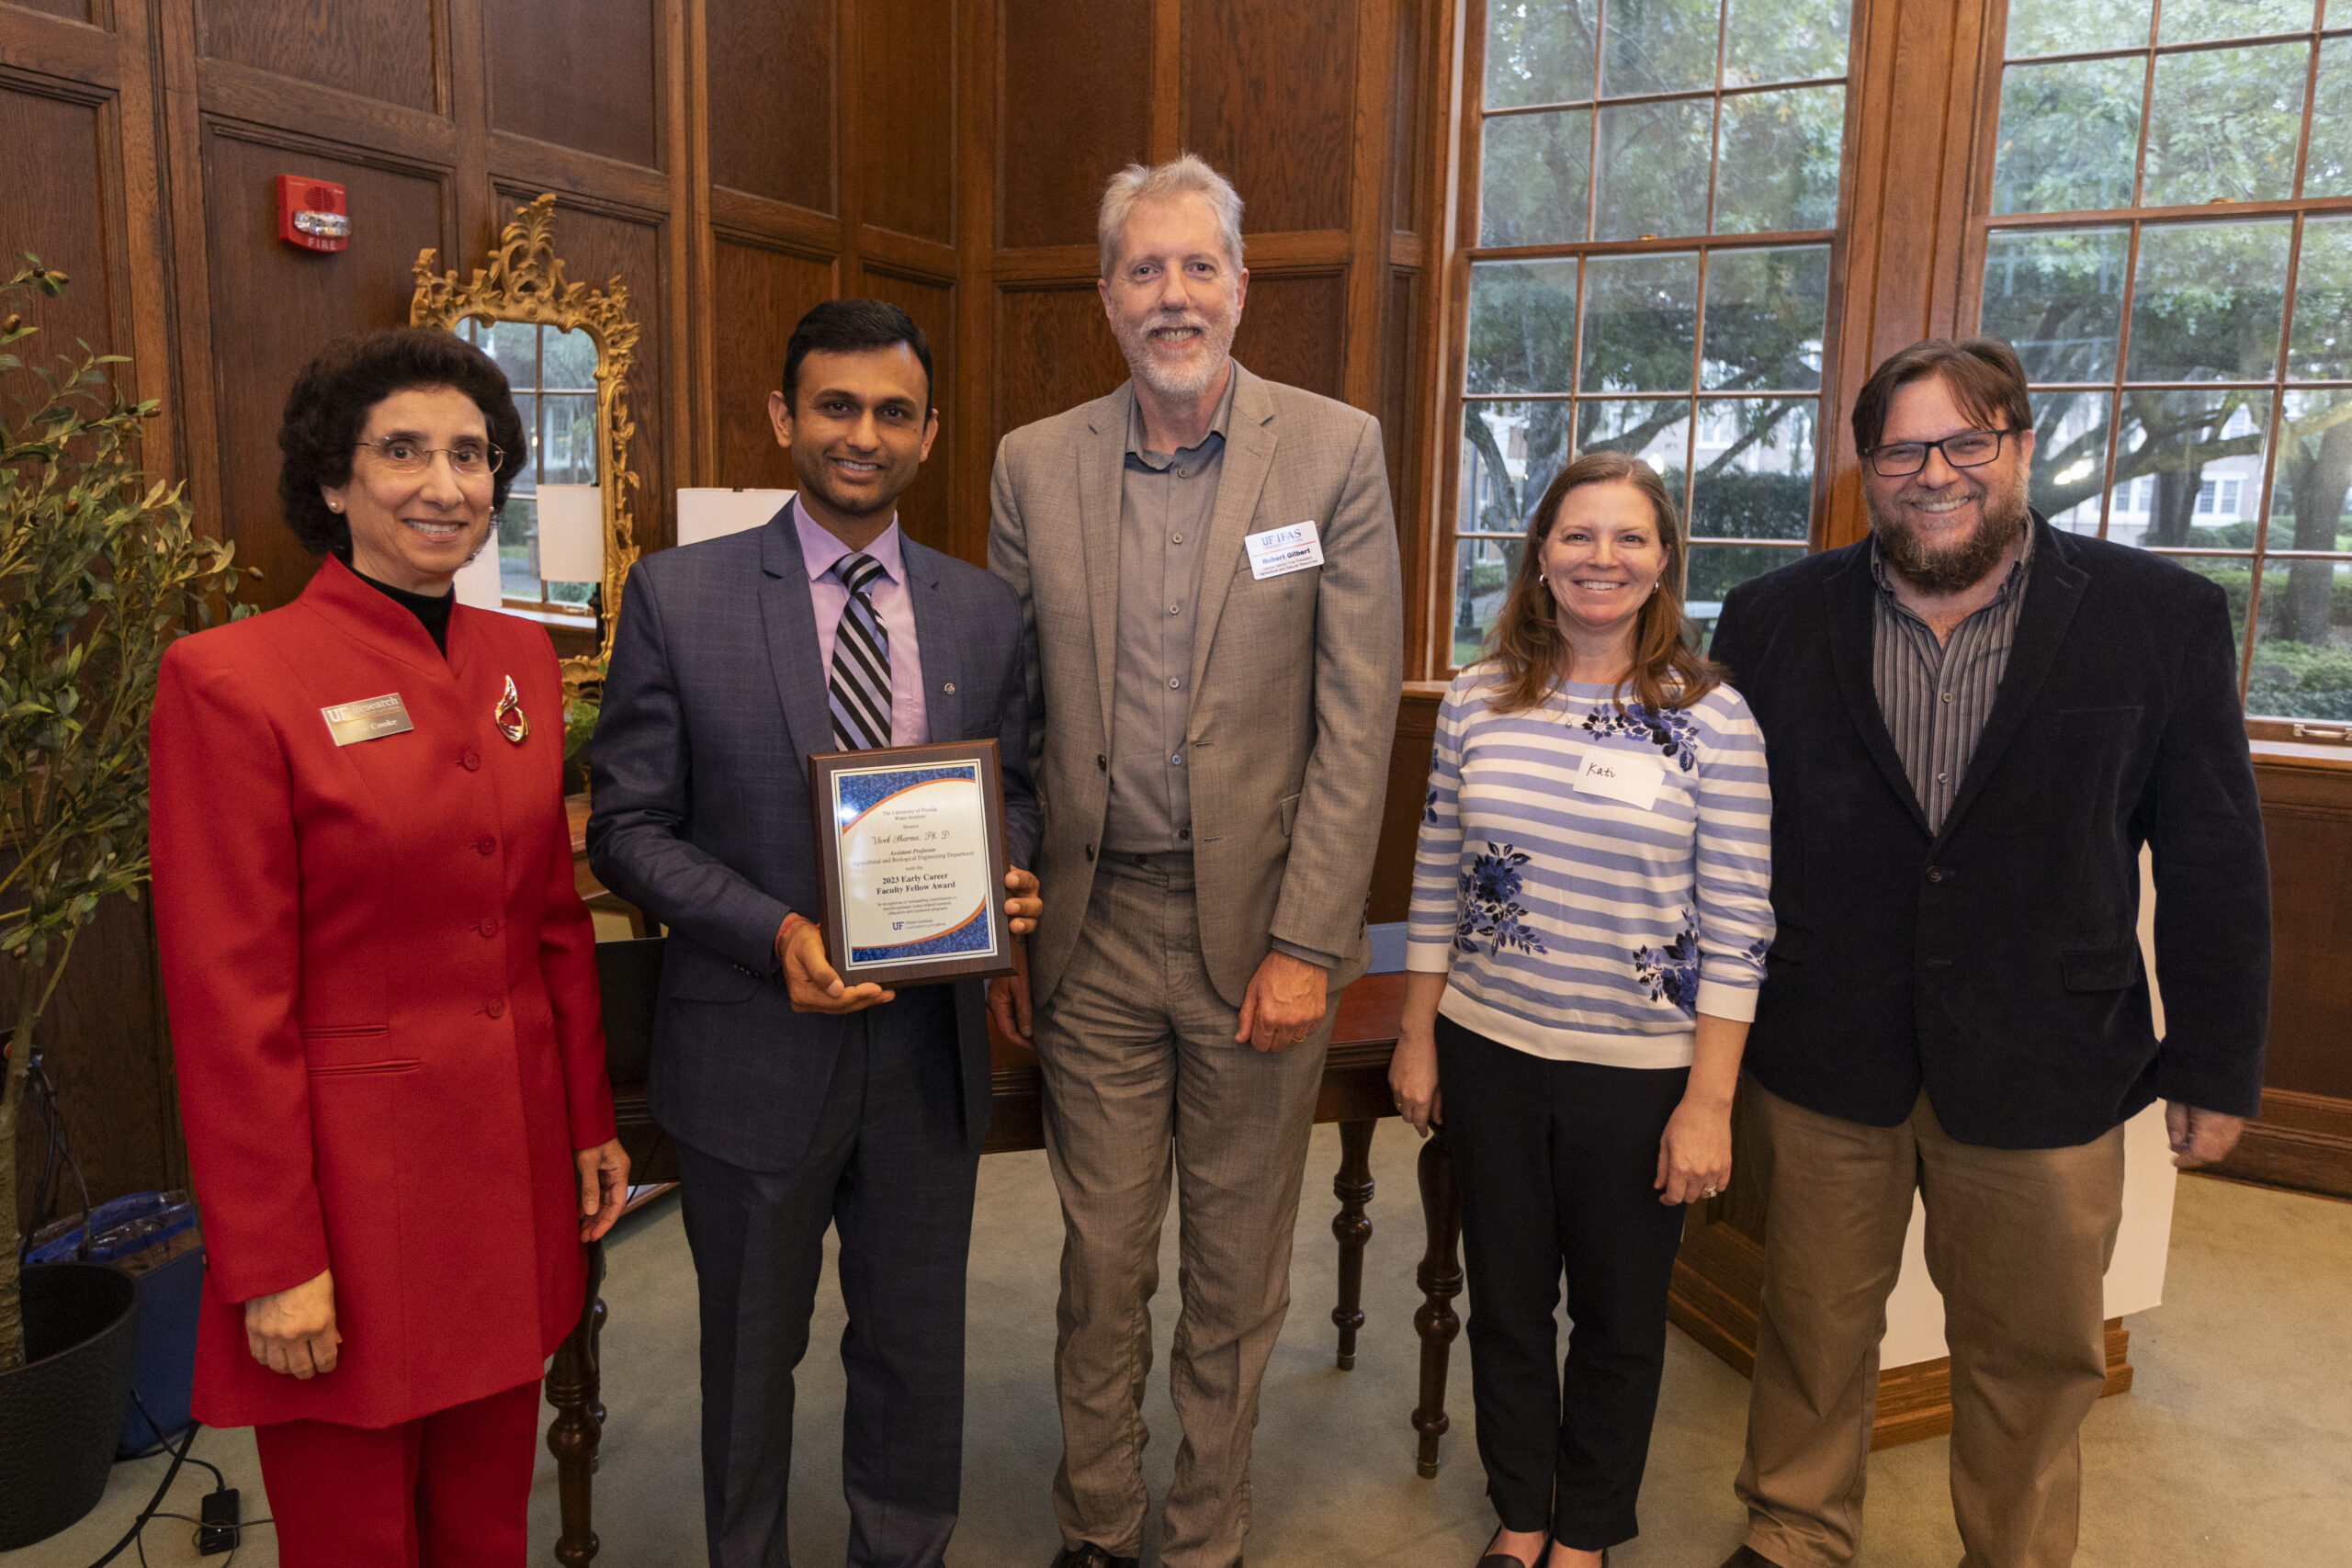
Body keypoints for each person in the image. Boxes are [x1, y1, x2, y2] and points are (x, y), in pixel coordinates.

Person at [1706, 336, 2271, 1568]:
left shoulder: (2157, 617)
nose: (1936, 472)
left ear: (2018, 445)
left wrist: (2217, 1066)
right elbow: (1718, 842)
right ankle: (1798, 1522)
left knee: (2036, 1349)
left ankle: (2014, 1549)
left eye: (1968, 439)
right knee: (1809, 1325)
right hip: (1824, 1054)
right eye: (1903, 447)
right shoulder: (1770, 619)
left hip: (2051, 1060)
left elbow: (2216, 855)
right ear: (1866, 467)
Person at [148, 326, 629, 1567]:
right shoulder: (232, 680)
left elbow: (548, 923)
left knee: (485, 1528)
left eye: (471, 453)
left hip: (509, 1173)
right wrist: (270, 1259)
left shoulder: (520, 655)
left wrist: (587, 1122)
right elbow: (226, 995)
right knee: (357, 1539)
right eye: (403, 450)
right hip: (347, 1206)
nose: (445, 482)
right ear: (331, 479)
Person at [988, 154, 1404, 1568]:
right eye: (1145, 269)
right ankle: (1097, 1528)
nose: (1174, 294)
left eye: (1198, 266)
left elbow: (1356, 718)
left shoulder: (1336, 451)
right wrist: (1008, 916)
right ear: (1108, 295)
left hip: (1261, 942)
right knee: (1101, 1265)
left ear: (1240, 283)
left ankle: (1203, 1534)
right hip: (1093, 938)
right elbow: (1011, 717)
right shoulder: (1032, 462)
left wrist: (1309, 940)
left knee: (1233, 1273)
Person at [588, 299, 1042, 1568]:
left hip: (924, 1054)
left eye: (894, 411)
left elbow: (1023, 781)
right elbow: (628, 827)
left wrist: (1012, 864)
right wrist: (776, 926)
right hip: (753, 1043)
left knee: (912, 1346)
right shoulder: (681, 595)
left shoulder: (980, 610)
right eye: (836, 405)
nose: (864, 434)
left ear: (930, 432)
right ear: (786, 416)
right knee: (748, 1354)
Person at [1387, 452, 1772, 1568]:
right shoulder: (1477, 696)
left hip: (1641, 1070)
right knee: (1504, 1304)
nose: (1600, 559)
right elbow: (1434, 876)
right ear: (1541, 555)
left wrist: (1709, 1099)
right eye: (1576, 536)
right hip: (1489, 1047)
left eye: (1628, 539)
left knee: (1613, 1320)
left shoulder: (1711, 719)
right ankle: (1519, 1517)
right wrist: (1418, 1033)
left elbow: (1740, 920)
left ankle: (1587, 1535)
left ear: (1661, 564)